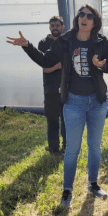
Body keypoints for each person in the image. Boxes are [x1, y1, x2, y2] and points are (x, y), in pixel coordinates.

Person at [6, 4, 108, 209]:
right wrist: (27, 45)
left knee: (95, 147)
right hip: (73, 102)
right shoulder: (66, 40)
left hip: (97, 102)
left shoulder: (101, 41)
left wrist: (102, 65)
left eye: (89, 16)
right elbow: (46, 60)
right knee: (72, 148)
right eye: (81, 14)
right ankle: (67, 191)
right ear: (77, 19)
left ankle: (93, 185)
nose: (84, 17)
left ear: (94, 21)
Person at [38, 16, 67, 155]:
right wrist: (58, 66)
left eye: (57, 25)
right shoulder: (43, 44)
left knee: (66, 119)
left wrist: (53, 67)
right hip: (50, 88)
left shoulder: (66, 42)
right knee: (52, 119)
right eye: (52, 25)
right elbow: (44, 66)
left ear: (63, 27)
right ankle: (54, 149)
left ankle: (67, 147)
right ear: (49, 27)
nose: (55, 27)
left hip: (67, 87)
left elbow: (69, 62)